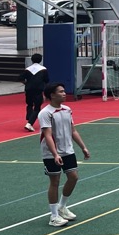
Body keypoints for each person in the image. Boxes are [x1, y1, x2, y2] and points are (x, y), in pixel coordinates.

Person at [39, 82, 90, 227]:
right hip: (51, 153)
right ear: (52, 95)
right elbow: (47, 135)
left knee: (73, 177)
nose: (64, 93)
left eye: (63, 91)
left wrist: (83, 147)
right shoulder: (45, 113)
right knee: (55, 181)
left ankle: (62, 206)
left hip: (68, 150)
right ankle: (54, 216)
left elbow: (73, 130)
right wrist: (55, 154)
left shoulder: (67, 110)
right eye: (60, 91)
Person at [21, 53, 49, 132]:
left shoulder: (27, 69)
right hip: (38, 90)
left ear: (32, 60)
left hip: (28, 89)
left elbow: (20, 78)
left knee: (29, 104)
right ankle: (29, 123)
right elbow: (46, 80)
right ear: (40, 60)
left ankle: (29, 118)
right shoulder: (43, 69)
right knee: (37, 107)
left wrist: (26, 83)